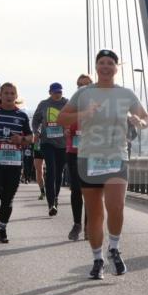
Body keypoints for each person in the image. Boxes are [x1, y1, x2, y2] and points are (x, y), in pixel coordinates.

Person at [58, 50, 148, 279]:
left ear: (117, 68)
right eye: (102, 63)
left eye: (110, 63)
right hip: (89, 157)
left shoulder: (126, 94)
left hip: (117, 156)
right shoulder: (84, 93)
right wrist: (84, 113)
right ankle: (97, 259)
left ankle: (114, 249)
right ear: (96, 67)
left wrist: (139, 121)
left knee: (116, 206)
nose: (106, 67)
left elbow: (145, 119)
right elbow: (61, 119)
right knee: (95, 212)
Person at [0, 82, 33, 243]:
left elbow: (31, 138)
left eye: (12, 94)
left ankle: (2, 229)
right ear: (0, 95)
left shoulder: (22, 116)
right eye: (6, 93)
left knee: (8, 198)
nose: (9, 96)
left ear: (16, 96)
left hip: (14, 163)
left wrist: (22, 139)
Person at [32, 83, 68, 217]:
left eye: (59, 92)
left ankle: (56, 197)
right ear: (50, 93)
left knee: (59, 173)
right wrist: (36, 132)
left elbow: (75, 119)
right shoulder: (44, 104)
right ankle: (50, 203)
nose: (58, 94)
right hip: (47, 142)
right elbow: (35, 120)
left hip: (63, 144)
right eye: (55, 92)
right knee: (51, 170)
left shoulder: (67, 103)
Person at [65, 74, 92, 239]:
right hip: (74, 151)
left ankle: (89, 225)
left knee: (90, 191)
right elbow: (61, 121)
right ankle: (77, 224)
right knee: (76, 189)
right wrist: (66, 128)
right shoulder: (71, 105)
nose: (83, 88)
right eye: (80, 85)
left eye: (86, 85)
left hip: (92, 153)